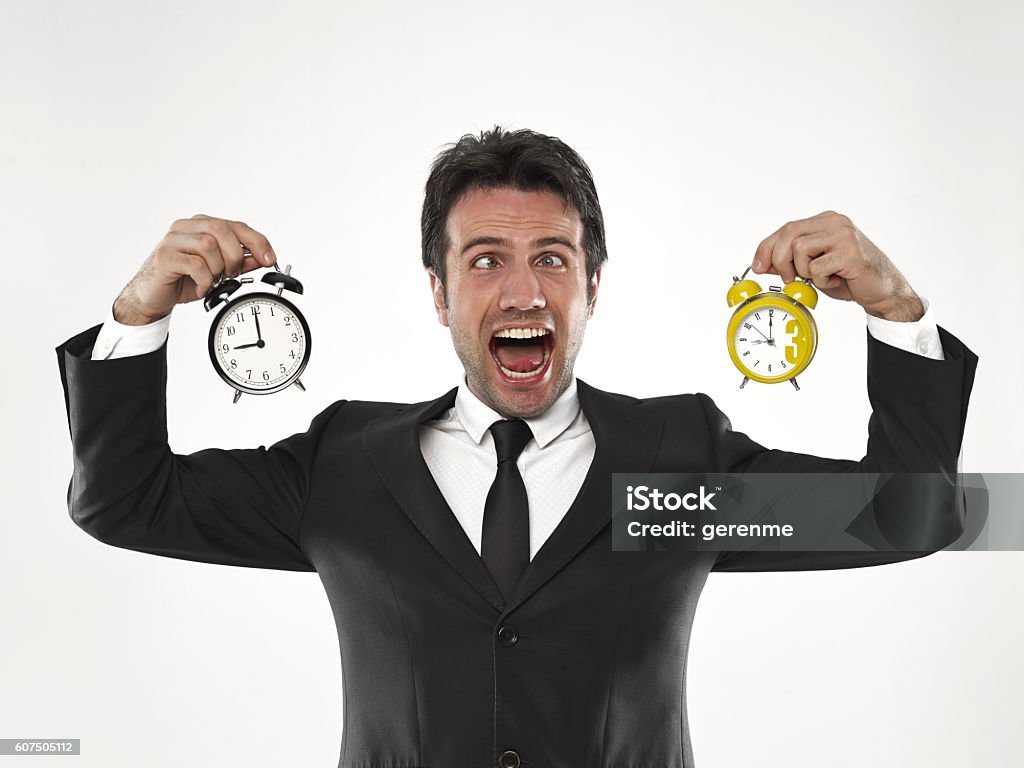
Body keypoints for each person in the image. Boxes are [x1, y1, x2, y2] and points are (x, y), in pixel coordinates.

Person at [56, 126, 977, 768]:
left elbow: (910, 514)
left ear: (592, 283)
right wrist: (136, 318)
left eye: (553, 258)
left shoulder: (670, 468)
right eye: (486, 258)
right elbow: (122, 500)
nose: (524, 293)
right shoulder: (341, 465)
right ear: (437, 288)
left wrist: (897, 312)